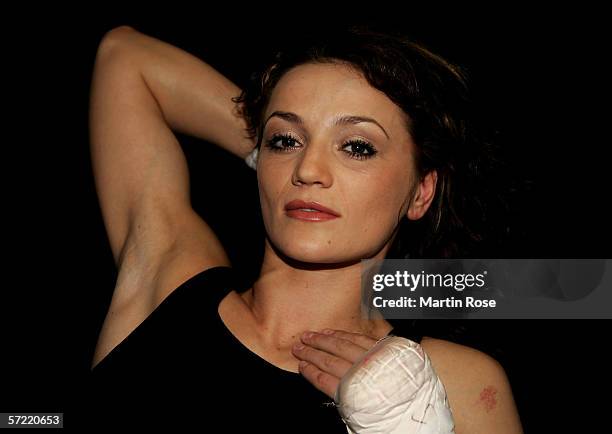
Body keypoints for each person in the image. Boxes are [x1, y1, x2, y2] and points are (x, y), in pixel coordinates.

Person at [86, 24, 523, 432]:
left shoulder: (457, 380)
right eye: (285, 141)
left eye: (357, 147)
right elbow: (124, 56)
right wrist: (265, 144)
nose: (309, 169)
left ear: (420, 192)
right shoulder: (165, 284)